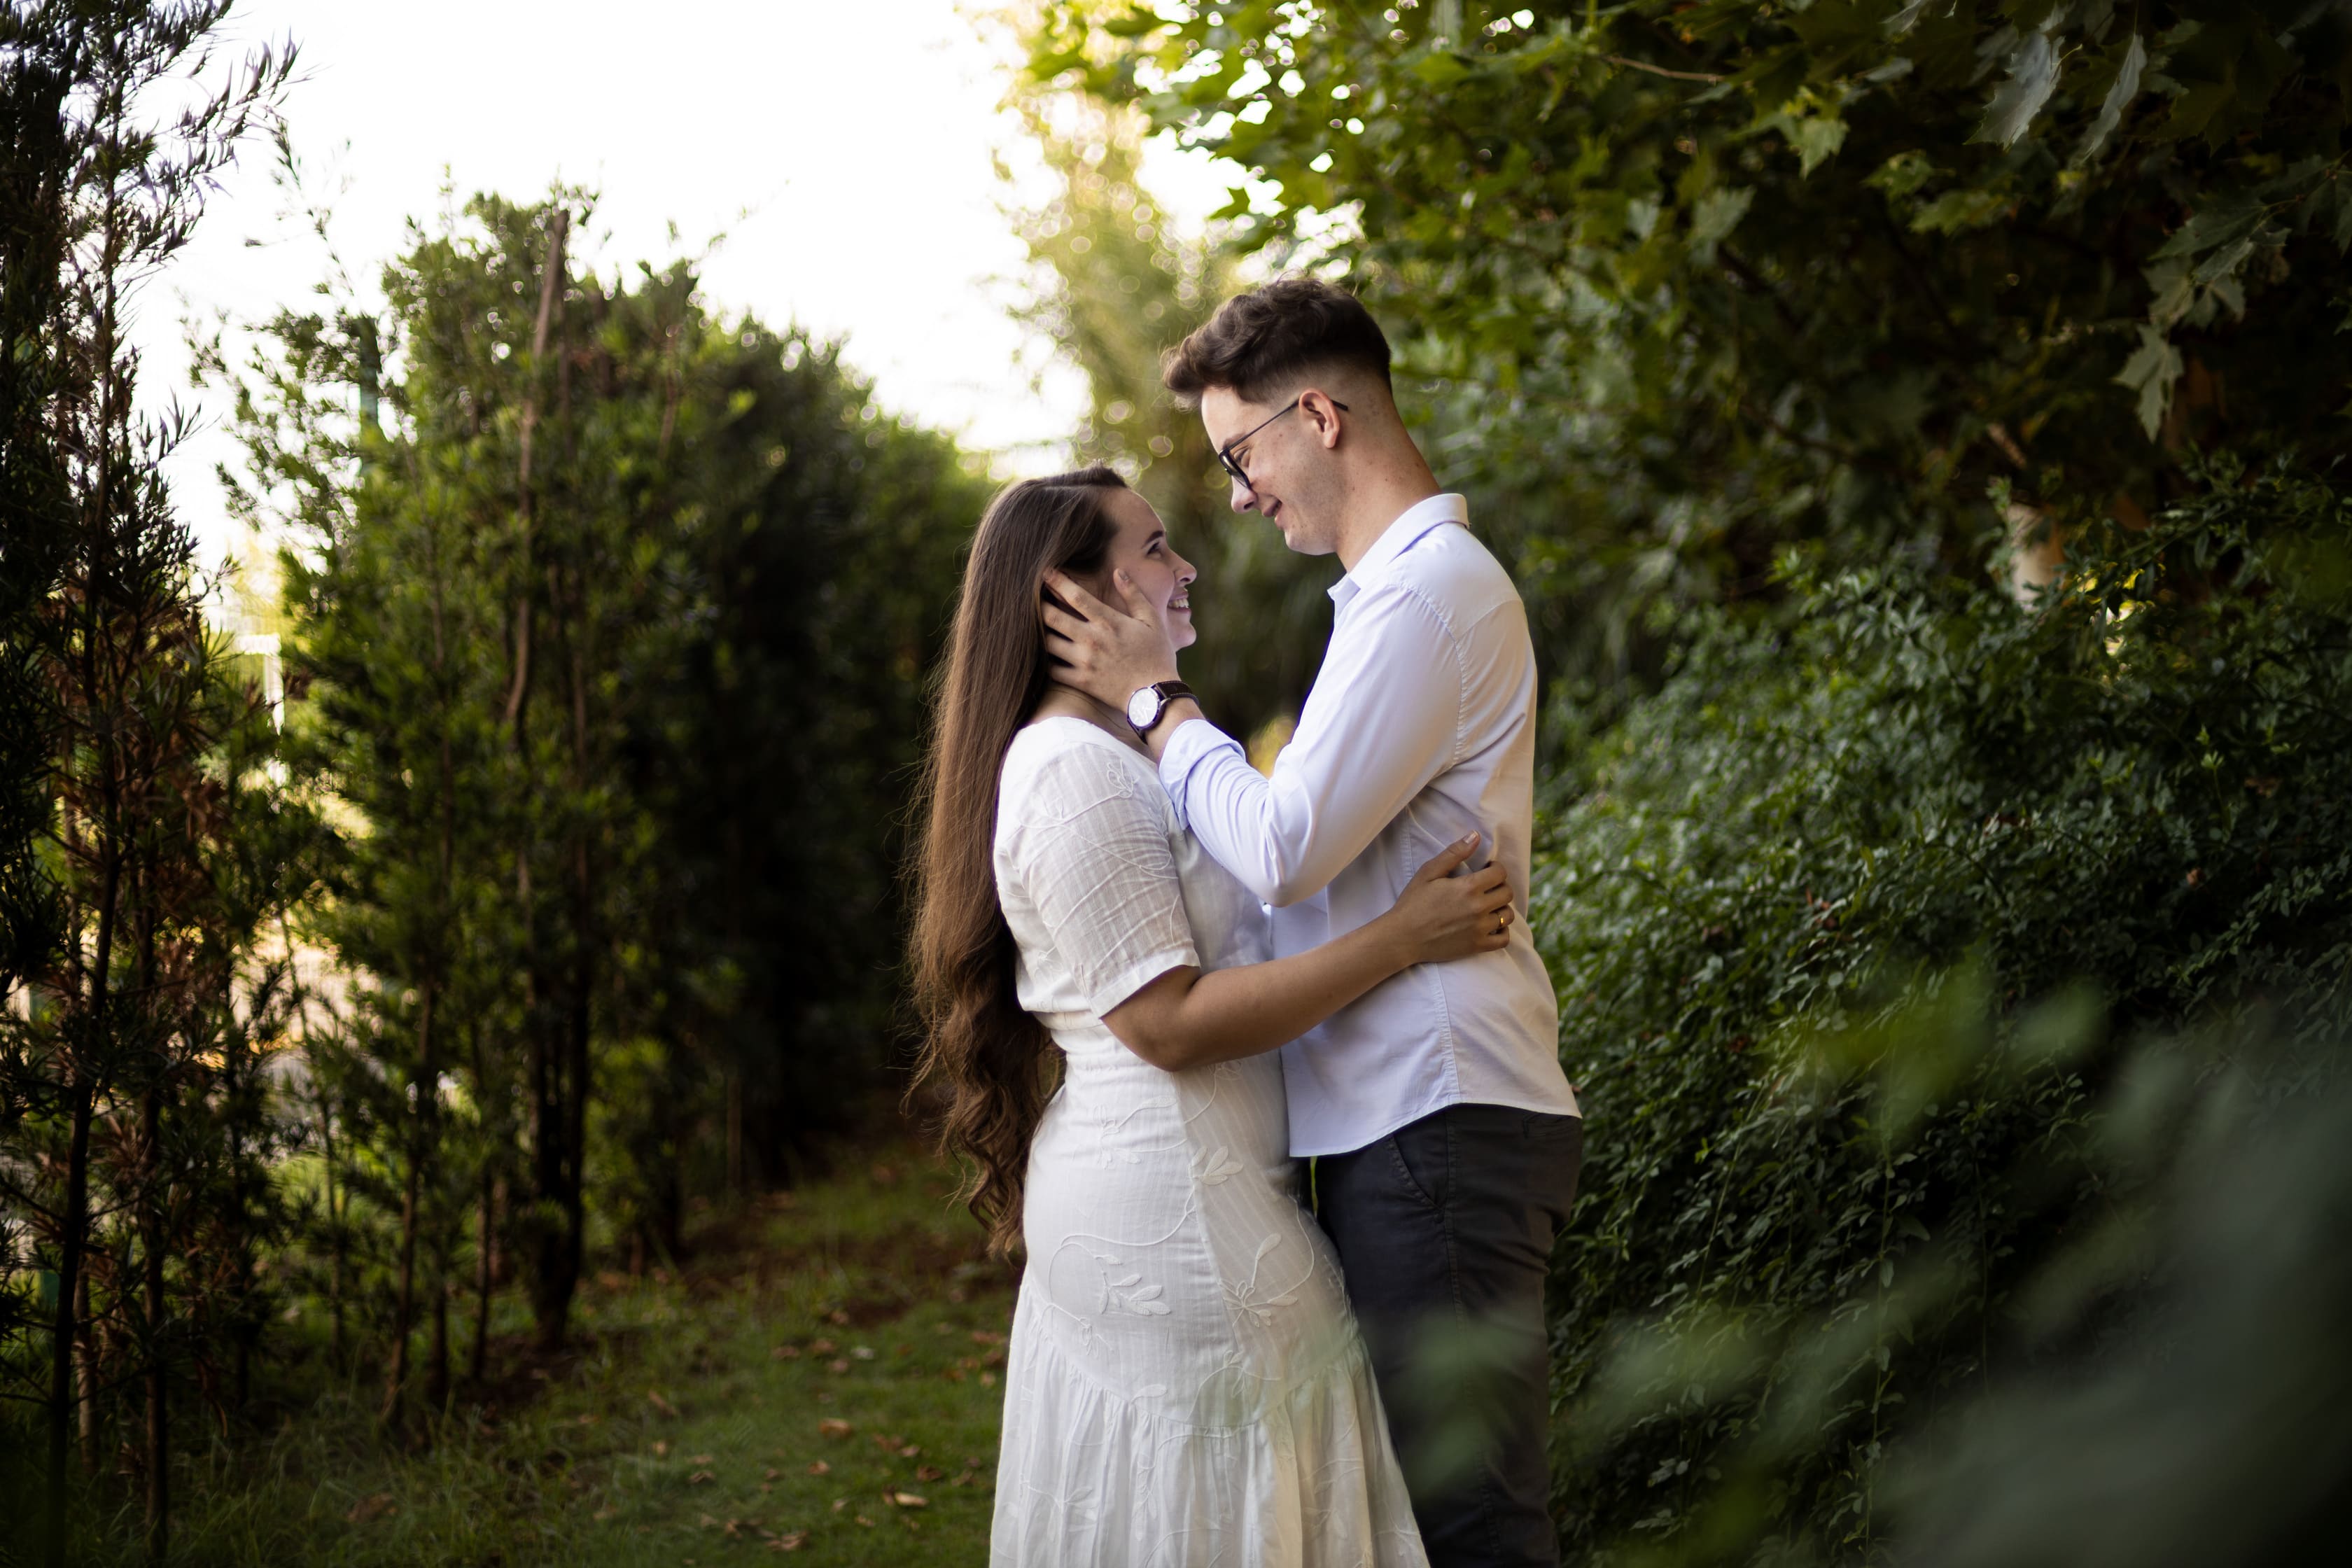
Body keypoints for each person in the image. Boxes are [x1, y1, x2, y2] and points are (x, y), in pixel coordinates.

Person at [1040, 278, 1584, 1568]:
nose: (1236, 493)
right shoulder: (1398, 598)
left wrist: (1156, 706)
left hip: (1436, 1116)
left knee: (1476, 1531)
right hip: (1413, 1124)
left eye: (1240, 455)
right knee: (1445, 1521)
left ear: (1320, 416)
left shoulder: (1423, 598)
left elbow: (1283, 849)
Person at [911, 466, 1521, 1567]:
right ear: (1070, 600)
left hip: (1206, 1184)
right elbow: (1169, 1023)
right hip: (1176, 1203)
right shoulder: (1071, 773)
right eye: (1152, 549)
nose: (1184, 567)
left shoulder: (1120, 758)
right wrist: (1400, 942)